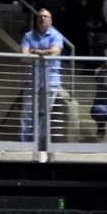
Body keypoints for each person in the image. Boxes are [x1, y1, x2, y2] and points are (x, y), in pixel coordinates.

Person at [20, 9, 63, 144]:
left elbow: (54, 52)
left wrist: (36, 52)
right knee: (26, 114)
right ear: (36, 20)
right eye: (40, 16)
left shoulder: (56, 35)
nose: (43, 19)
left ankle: (39, 144)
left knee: (44, 115)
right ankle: (25, 145)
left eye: (46, 17)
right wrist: (44, 53)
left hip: (50, 81)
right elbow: (23, 57)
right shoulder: (28, 36)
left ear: (51, 20)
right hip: (32, 81)